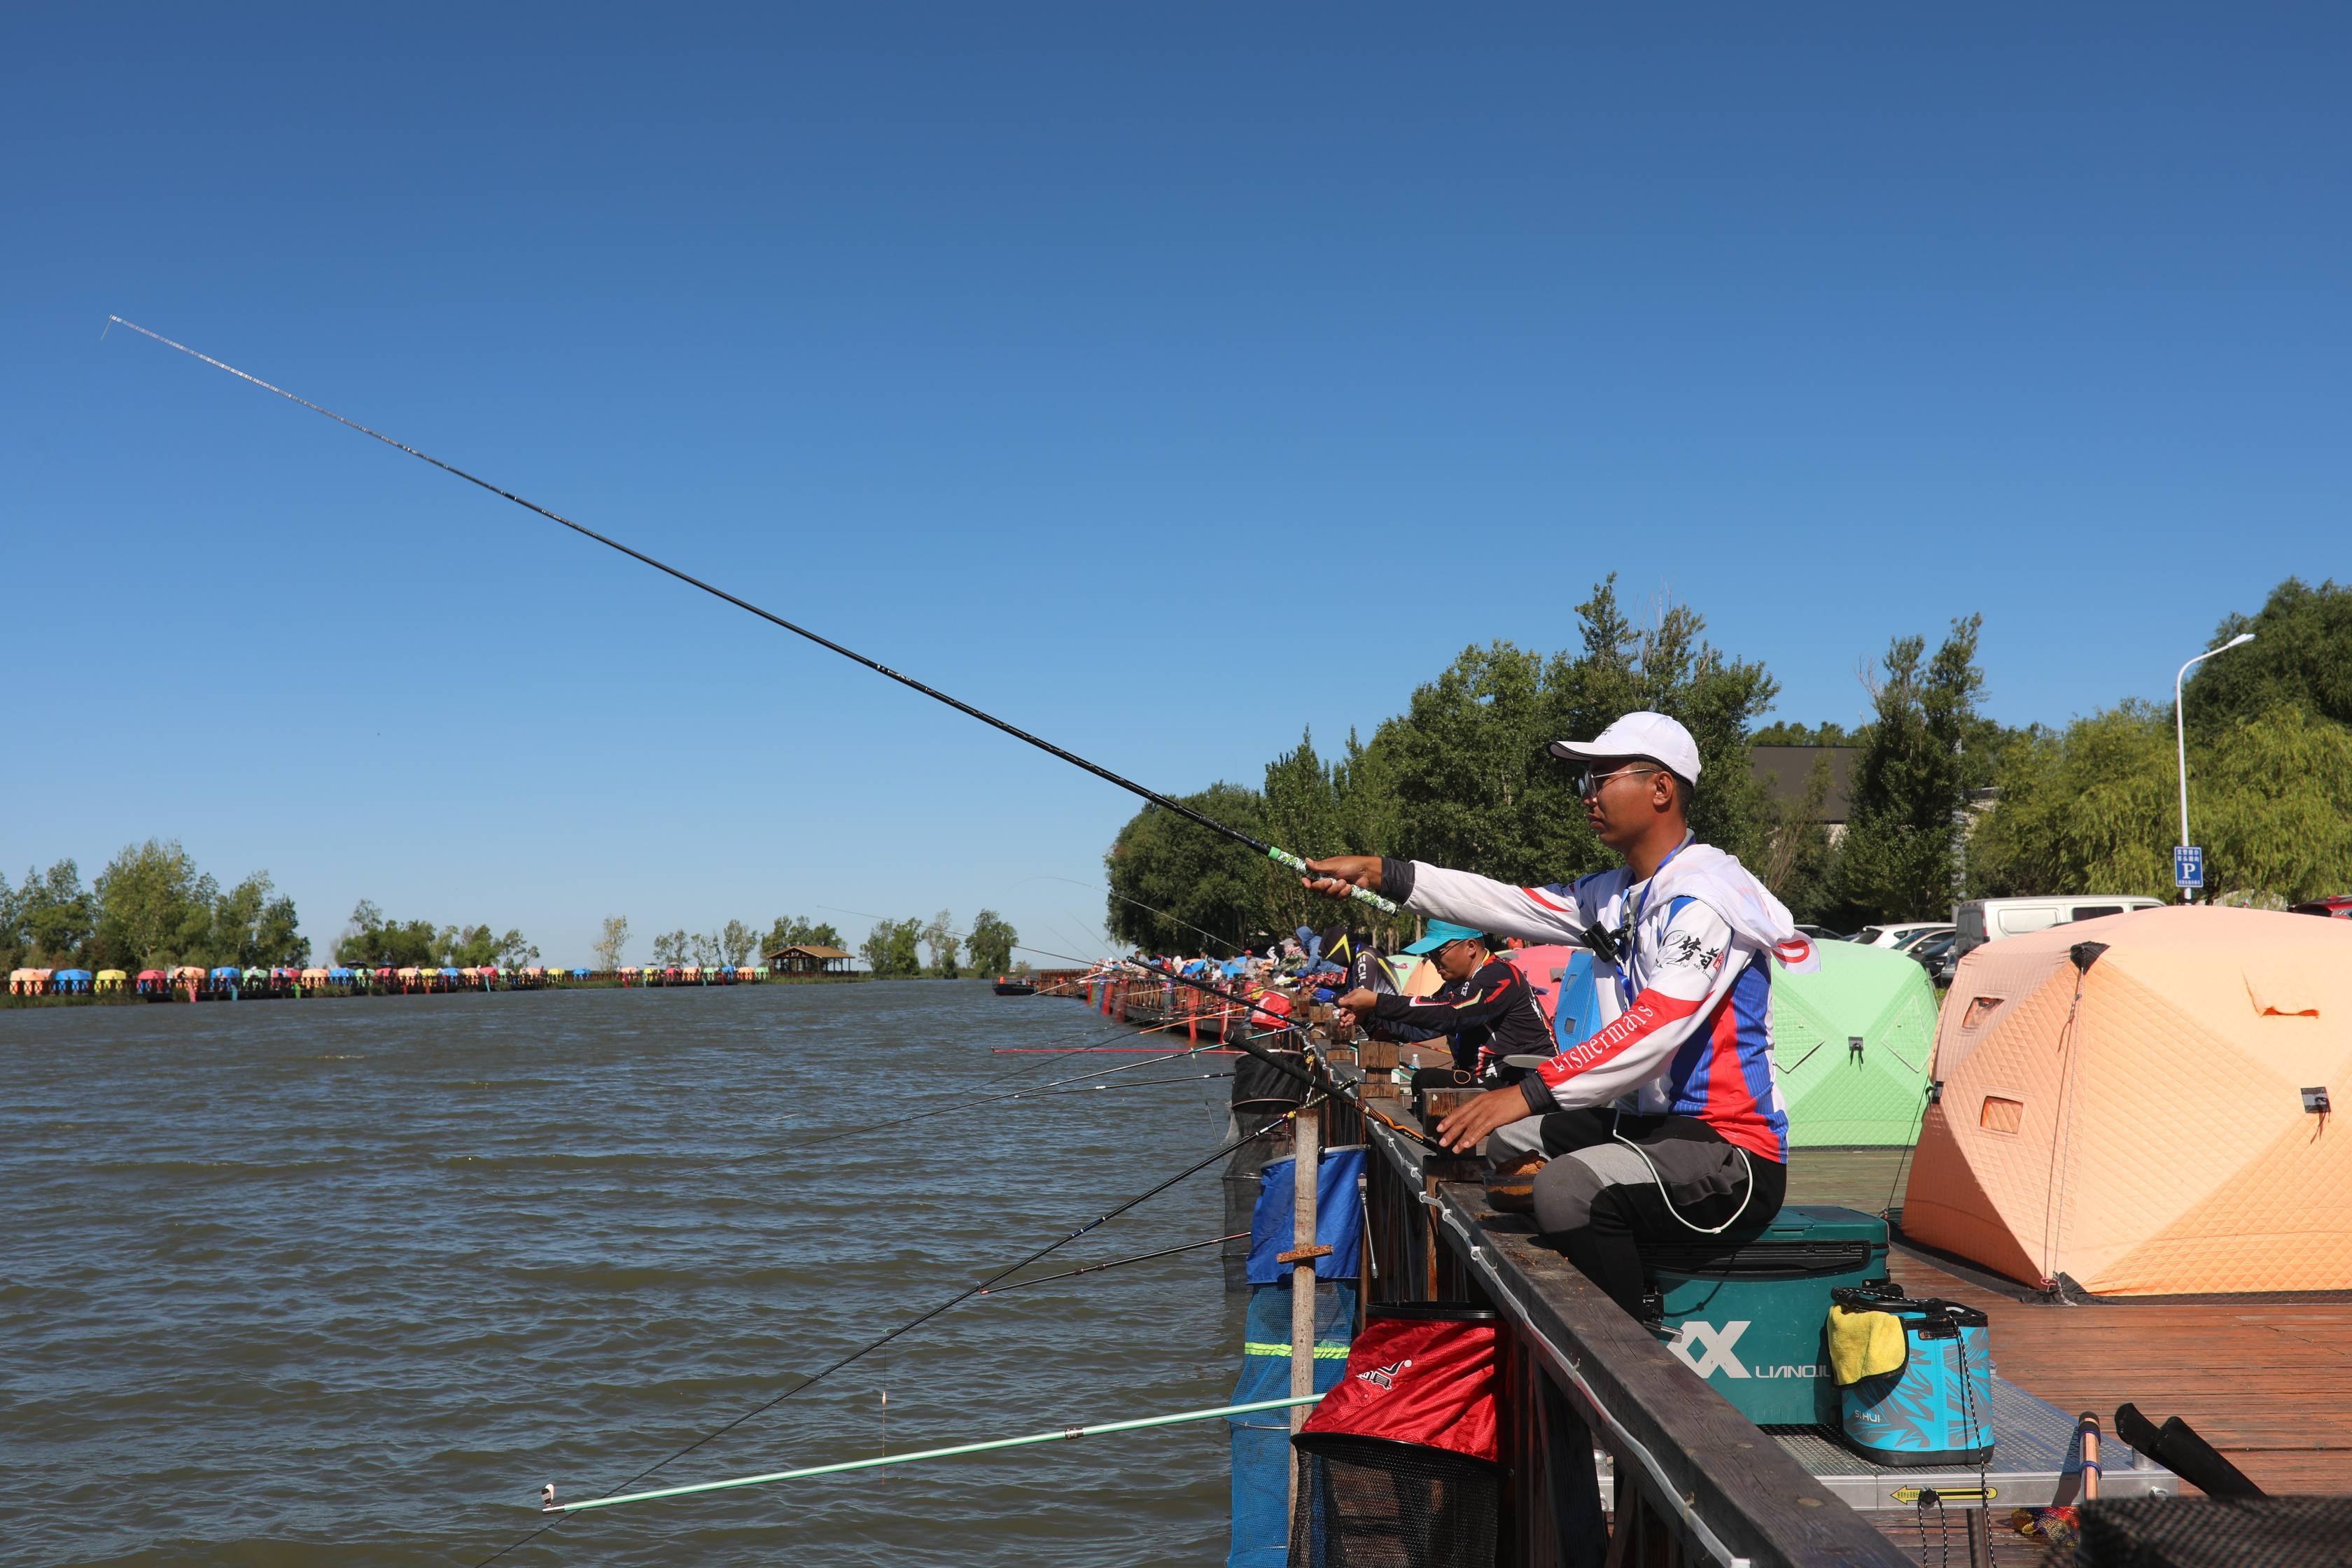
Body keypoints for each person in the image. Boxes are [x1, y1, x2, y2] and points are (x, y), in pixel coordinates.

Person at [1302, 710, 1813, 1320]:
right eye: (1584, 782)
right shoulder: (1619, 892)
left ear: (1661, 789)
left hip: (1731, 1150)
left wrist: (1529, 1092)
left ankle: (1631, 1356)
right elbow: (1506, 902)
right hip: (1648, 1126)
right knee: (1494, 1140)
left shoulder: (1708, 898)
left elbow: (1656, 1024)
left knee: (1567, 1189)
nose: (1588, 796)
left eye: (1602, 778)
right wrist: (1384, 873)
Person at [1332, 920, 1550, 1082]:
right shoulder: (1458, 984)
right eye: (1429, 956)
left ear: (1471, 947)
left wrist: (1378, 1002)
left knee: (1426, 1082)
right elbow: (1422, 1027)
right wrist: (1369, 1017)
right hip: (1488, 1081)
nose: (1434, 961)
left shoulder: (1499, 975)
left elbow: (1452, 1015)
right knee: (1426, 1083)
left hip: (1526, 1081)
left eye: (1438, 952)